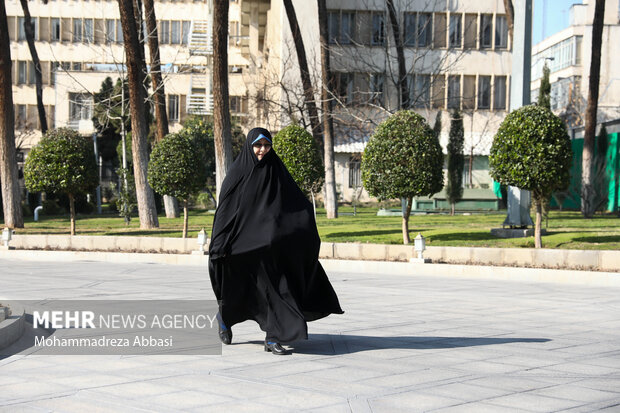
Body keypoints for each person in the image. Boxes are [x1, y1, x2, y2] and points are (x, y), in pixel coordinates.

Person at [208, 127, 343, 355]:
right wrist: (219, 244)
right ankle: (224, 318)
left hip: (273, 252)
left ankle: (273, 337)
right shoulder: (238, 173)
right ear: (250, 146)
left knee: (279, 292)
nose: (262, 150)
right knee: (240, 292)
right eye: (258, 146)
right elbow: (225, 212)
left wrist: (304, 230)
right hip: (245, 250)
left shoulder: (278, 172)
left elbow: (297, 206)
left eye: (266, 145)